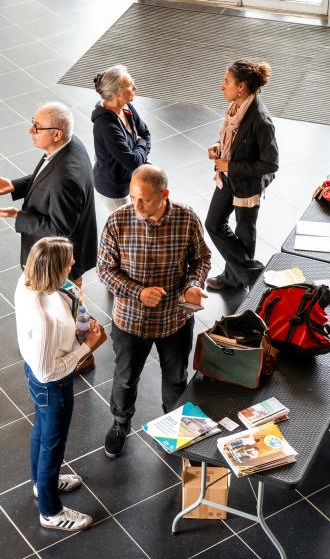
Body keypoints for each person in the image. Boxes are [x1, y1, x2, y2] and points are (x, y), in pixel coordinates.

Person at [97, 164, 211, 458]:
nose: (135, 205)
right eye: (133, 197)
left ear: (164, 194)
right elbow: (105, 271)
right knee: (124, 379)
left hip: (175, 319)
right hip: (130, 321)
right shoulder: (117, 221)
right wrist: (138, 292)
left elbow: (201, 258)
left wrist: (193, 285)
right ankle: (120, 424)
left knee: (175, 378)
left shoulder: (187, 219)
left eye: (143, 199)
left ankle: (173, 424)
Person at [15, 237, 104, 532]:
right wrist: (88, 346)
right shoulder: (45, 320)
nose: (74, 263)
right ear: (54, 270)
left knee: (41, 430)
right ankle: (51, 512)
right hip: (52, 385)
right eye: (68, 261)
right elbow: (47, 372)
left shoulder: (27, 281)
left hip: (36, 375)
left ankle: (42, 485)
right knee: (53, 445)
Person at [0, 102, 97, 288]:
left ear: (57, 134)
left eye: (37, 127)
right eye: (33, 122)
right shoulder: (69, 144)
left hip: (58, 265)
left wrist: (17, 216)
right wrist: (14, 185)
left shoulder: (66, 177)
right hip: (69, 254)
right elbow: (47, 175)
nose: (30, 130)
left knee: (60, 310)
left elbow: (60, 230)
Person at [204, 59, 279, 292]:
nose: (221, 86)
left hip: (247, 185)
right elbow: (233, 142)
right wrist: (218, 147)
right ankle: (252, 276)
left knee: (244, 234)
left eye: (227, 82)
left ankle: (234, 278)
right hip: (226, 177)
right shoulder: (235, 108)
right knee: (213, 224)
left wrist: (230, 165)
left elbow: (270, 163)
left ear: (241, 87)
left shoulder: (260, 120)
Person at [91, 65, 151, 216]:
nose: (135, 87)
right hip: (114, 188)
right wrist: (141, 143)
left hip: (128, 178)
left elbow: (146, 133)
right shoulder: (107, 125)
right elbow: (133, 162)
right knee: (125, 224)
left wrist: (139, 143)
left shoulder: (126, 107)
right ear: (117, 93)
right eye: (130, 85)